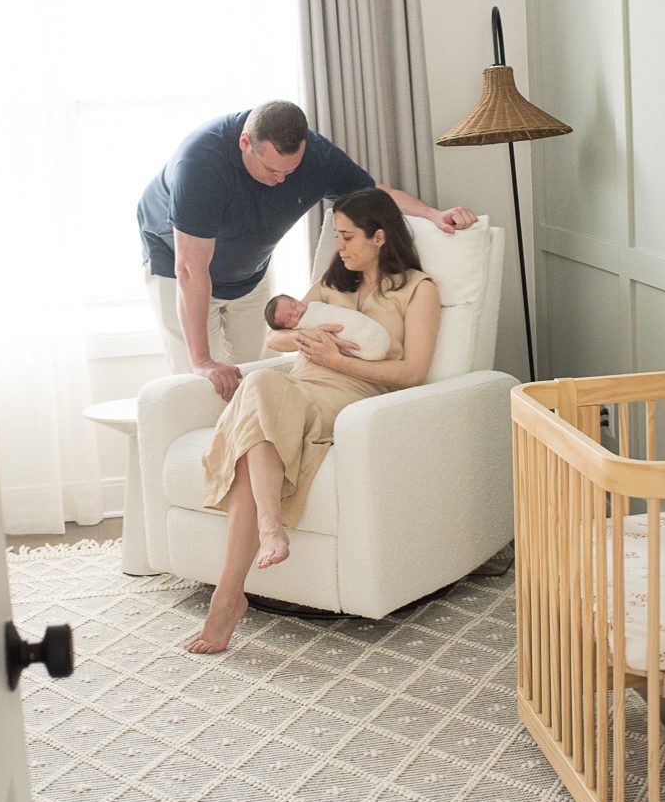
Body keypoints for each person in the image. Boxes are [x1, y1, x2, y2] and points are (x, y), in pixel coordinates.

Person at [183, 187, 441, 654]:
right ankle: (249, 561)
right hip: (294, 388)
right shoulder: (331, 283)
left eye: (346, 237)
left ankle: (229, 593)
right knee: (259, 404)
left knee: (255, 399)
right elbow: (274, 339)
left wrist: (339, 362)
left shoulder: (418, 291)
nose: (338, 247)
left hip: (348, 398)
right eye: (336, 236)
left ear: (380, 236)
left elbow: (412, 372)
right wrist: (309, 334)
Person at [137, 99, 475, 402]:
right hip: (181, 268)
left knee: (252, 377)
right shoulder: (201, 164)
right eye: (272, 170)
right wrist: (202, 361)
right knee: (204, 389)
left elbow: (376, 194)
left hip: (250, 269)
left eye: (291, 171)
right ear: (245, 143)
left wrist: (433, 214)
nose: (282, 180)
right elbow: (191, 269)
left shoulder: (317, 156)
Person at [263, 292, 390, 360]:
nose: (296, 312)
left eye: (294, 305)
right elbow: (270, 339)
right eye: (289, 318)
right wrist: (311, 335)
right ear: (286, 328)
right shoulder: (325, 283)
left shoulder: (312, 306)